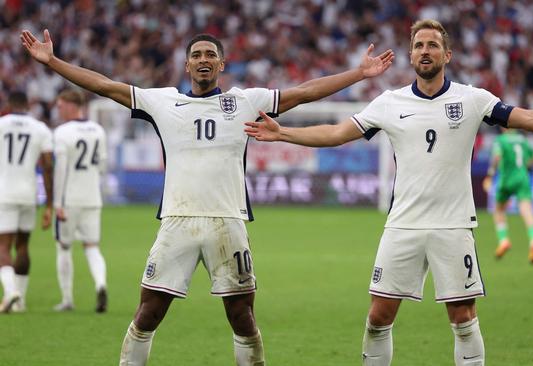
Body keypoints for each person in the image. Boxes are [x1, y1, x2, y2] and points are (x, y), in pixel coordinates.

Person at [244, 19, 533, 365]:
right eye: (419, 45)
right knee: (379, 316)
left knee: (463, 317)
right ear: (411, 55)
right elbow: (336, 133)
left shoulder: (473, 98)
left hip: (453, 224)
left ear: (447, 54)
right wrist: (284, 133)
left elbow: (525, 118)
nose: (425, 51)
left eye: (432, 45)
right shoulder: (390, 103)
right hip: (403, 225)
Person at [21, 29, 393, 365]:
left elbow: (303, 92)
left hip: (227, 223)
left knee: (242, 315)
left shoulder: (247, 100)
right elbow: (105, 86)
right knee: (148, 311)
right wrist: (52, 61)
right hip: (177, 223)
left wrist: (358, 74)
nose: (203, 60)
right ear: (186, 65)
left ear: (222, 64)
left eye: (210, 55)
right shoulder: (163, 102)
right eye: (197, 55)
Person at [51, 89, 108, 312]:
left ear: (70, 105)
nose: (58, 110)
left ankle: (67, 299)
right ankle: (101, 284)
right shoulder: (98, 130)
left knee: (64, 247)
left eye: (60, 105)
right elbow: (103, 166)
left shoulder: (62, 132)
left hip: (69, 199)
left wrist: (57, 203)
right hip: (92, 198)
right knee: (92, 246)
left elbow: (60, 171)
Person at [0, 91, 53, 313]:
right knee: (23, 245)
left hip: (4, 191)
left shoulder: (1, 124)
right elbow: (48, 165)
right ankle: (20, 302)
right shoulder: (40, 128)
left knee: (3, 246)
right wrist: (49, 203)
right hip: (29, 193)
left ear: (10, 104)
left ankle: (11, 291)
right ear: (28, 105)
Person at [482, 128, 533, 264]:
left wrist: (490, 176)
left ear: (503, 127)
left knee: (499, 210)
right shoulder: (522, 140)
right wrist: (521, 167)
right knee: (526, 210)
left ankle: (503, 240)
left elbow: (496, 158)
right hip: (522, 178)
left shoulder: (500, 140)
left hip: (506, 179)